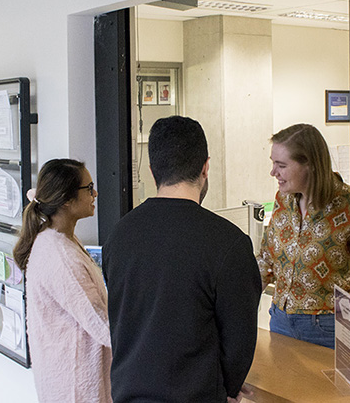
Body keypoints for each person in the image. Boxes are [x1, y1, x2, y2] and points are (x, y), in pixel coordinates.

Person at [103, 115, 261, 403]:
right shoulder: (230, 243)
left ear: (152, 171)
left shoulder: (119, 236)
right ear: (205, 168)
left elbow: (120, 321)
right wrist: (226, 388)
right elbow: (240, 343)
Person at [257, 123, 350, 371]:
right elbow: (265, 263)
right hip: (280, 321)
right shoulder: (283, 200)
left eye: (281, 165)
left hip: (332, 329)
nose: (273, 173)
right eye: (273, 163)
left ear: (309, 164)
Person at [12, 159, 111, 403]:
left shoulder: (57, 241)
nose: (95, 193)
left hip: (65, 376)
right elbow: (101, 325)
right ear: (66, 199)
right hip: (75, 385)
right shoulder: (60, 256)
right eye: (88, 189)